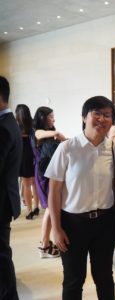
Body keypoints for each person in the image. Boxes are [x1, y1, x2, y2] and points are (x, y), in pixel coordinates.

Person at [46, 96, 115, 299]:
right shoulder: (67, 148)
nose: (102, 119)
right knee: (73, 279)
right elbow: (54, 191)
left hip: (105, 223)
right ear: (84, 117)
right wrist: (57, 229)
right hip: (73, 224)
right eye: (97, 113)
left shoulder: (113, 148)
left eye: (107, 115)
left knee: (104, 277)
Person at [32, 106, 66, 258]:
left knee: (50, 208)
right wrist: (63, 138)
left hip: (48, 172)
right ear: (43, 118)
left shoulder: (48, 133)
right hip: (43, 175)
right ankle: (44, 245)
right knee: (49, 209)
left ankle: (45, 243)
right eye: (51, 116)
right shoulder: (38, 132)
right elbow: (56, 134)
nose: (54, 119)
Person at [0, 75, 22, 300]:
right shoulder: (8, 123)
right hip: (5, 200)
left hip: (2, 202)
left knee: (1, 256)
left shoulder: (4, 127)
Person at [15, 104, 40, 219]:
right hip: (34, 154)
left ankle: (29, 211)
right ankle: (36, 207)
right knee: (35, 183)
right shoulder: (33, 124)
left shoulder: (17, 126)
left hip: (23, 156)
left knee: (26, 185)